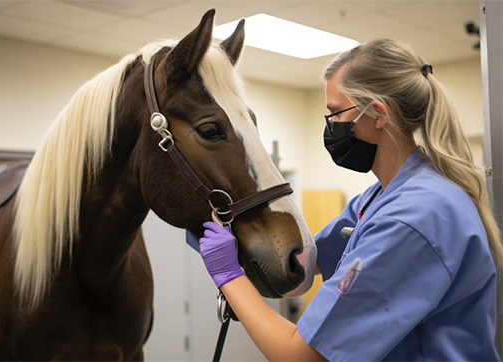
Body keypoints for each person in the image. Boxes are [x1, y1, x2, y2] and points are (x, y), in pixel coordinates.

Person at [199, 38, 503, 361]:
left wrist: (229, 275)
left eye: (335, 113)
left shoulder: (412, 218)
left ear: (378, 114)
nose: (330, 126)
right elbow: (308, 259)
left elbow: (299, 356)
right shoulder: (383, 196)